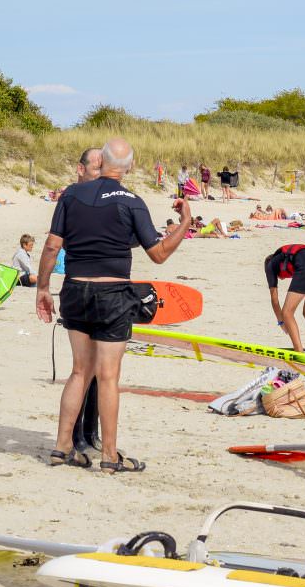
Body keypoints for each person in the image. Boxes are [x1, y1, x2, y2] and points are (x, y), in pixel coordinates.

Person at [36, 138, 190, 471]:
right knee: (107, 377)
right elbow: (158, 254)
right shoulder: (132, 201)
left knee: (79, 371)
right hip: (112, 295)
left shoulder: (71, 195)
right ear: (130, 167)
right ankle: (109, 456)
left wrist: (43, 288)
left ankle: (62, 448)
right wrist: (185, 225)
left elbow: (51, 247)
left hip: (75, 290)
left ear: (101, 162)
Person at [266, 243, 305, 355]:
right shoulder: (289, 258)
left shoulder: (270, 266)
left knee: (287, 312)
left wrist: (282, 322)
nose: (281, 278)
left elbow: (274, 300)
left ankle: (299, 352)